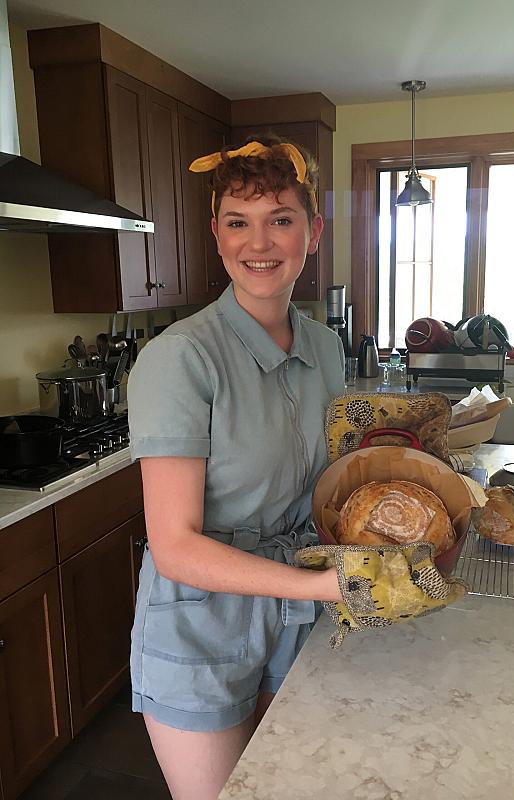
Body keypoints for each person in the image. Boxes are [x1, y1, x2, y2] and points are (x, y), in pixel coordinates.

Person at [127, 136, 345, 800]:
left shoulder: (326, 347)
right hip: (204, 622)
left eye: (281, 218)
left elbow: (328, 481)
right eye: (237, 221)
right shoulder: (181, 358)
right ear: (215, 234)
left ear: (313, 232)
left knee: (290, 786)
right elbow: (174, 547)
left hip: (297, 614)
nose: (261, 241)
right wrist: (330, 588)